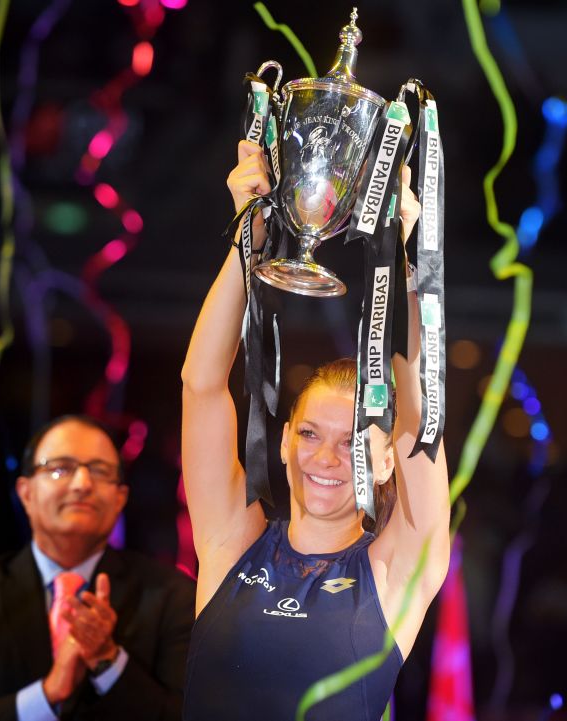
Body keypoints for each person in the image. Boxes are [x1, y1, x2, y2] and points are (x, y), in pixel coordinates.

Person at [180, 140, 450, 720]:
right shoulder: (233, 542)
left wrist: (401, 256)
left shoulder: (394, 573)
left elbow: (419, 419)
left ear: (387, 461)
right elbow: (201, 385)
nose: (326, 457)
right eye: (308, 434)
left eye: (354, 442)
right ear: (283, 441)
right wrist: (248, 233)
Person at [0, 415, 196, 720]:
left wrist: (107, 660)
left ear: (120, 498)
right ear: (26, 492)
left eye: (100, 471)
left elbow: (188, 715)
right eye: (60, 468)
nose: (82, 484)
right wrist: (46, 695)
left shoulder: (175, 596)